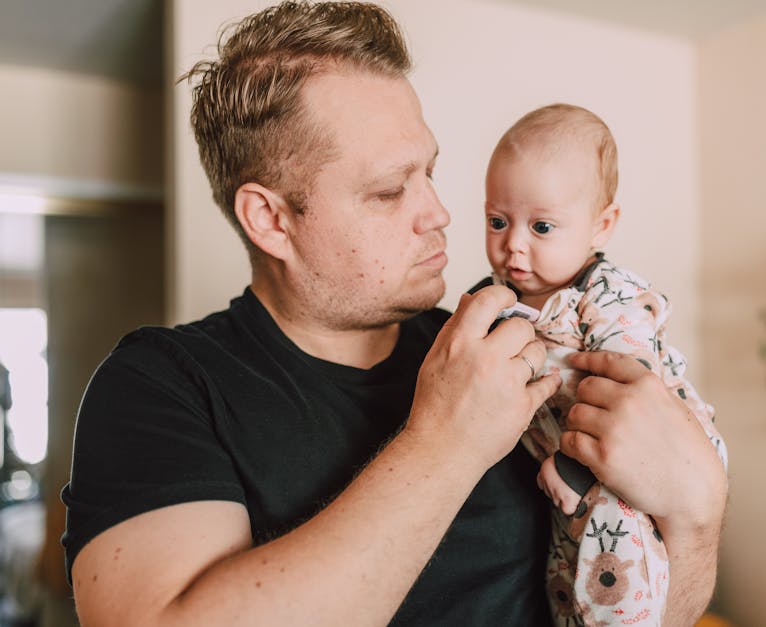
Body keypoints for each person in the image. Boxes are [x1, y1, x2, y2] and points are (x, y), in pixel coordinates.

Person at [61, 3, 728, 626]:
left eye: (429, 173)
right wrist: (448, 443)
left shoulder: (499, 347)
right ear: (270, 219)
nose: (439, 213)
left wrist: (697, 519)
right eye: (388, 190)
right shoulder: (160, 387)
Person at [474, 104, 728, 626]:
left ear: (601, 226)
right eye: (498, 221)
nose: (513, 244)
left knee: (619, 570)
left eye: (541, 226)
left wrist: (573, 465)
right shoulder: (497, 297)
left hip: (633, 464)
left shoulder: (609, 298)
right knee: (565, 578)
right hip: (565, 475)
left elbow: (630, 396)